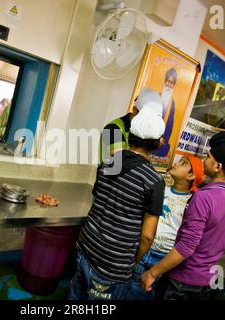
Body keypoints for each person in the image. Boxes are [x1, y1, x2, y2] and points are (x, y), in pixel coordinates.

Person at [68, 101, 166, 300]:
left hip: (86, 247)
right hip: (113, 266)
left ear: (129, 135)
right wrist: (132, 263)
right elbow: (147, 237)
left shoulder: (108, 163)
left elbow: (100, 200)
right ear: (158, 143)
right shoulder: (154, 180)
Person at [141, 131, 225, 300]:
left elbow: (187, 246)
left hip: (181, 282)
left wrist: (152, 273)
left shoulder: (204, 197)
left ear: (218, 167)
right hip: (204, 282)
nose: (204, 160)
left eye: (208, 157)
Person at [126, 154, 205, 300]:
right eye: (179, 161)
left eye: (183, 164)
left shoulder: (193, 201)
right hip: (144, 249)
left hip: (164, 257)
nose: (176, 163)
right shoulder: (161, 190)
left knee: (149, 293)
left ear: (191, 175)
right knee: (132, 290)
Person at [100, 87, 164, 163]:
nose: (147, 120)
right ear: (134, 110)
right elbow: (121, 158)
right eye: (143, 115)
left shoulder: (144, 131)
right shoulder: (114, 128)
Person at [153, 68, 177, 158]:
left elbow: (170, 125)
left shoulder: (172, 103)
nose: (169, 85)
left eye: (172, 83)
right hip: (151, 135)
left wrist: (164, 139)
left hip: (163, 138)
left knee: (164, 149)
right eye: (168, 81)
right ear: (165, 81)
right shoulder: (156, 97)